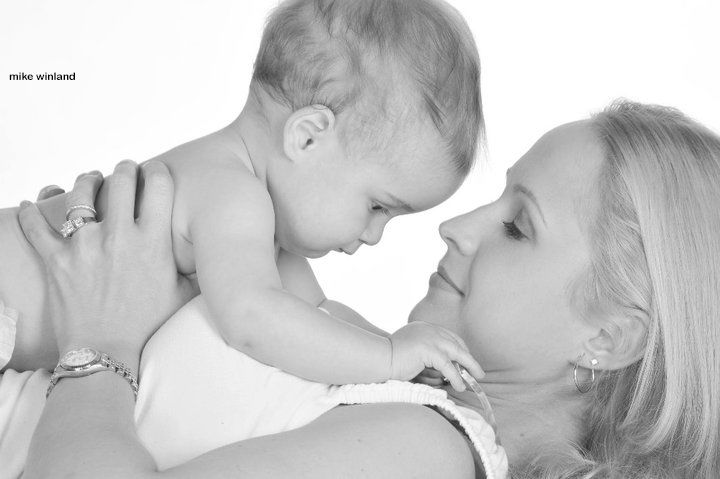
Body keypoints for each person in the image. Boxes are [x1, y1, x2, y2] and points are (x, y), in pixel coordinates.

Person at [21, 101, 720, 478]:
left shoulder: (429, 453)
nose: (455, 227)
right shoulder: (377, 370)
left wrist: (96, 346)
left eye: (517, 227)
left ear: (610, 337)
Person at [0, 0, 483, 390]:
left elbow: (315, 316)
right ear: (307, 138)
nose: (375, 235)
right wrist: (389, 358)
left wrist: (400, 350)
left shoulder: (263, 226)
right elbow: (254, 320)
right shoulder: (234, 197)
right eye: (378, 206)